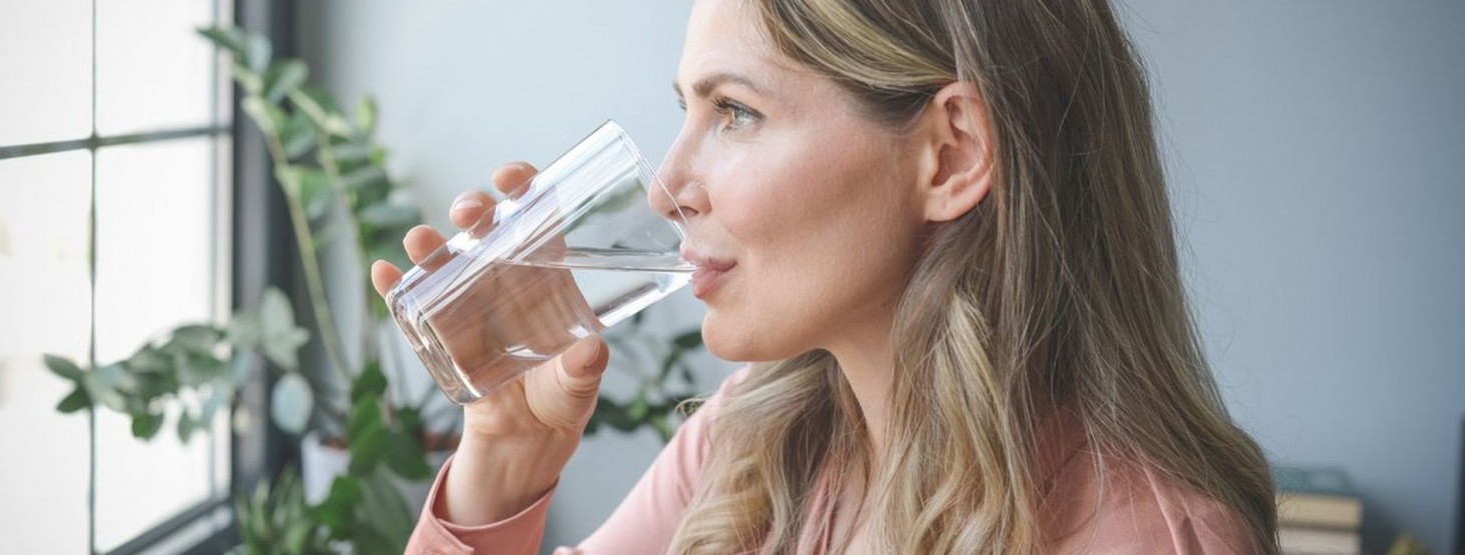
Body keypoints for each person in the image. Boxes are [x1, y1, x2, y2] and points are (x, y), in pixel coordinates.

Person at [371, 0, 1279, 552]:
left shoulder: (1148, 541)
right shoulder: (753, 447)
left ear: (951, 154)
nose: (667, 188)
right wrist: (507, 457)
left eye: (735, 112)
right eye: (687, 110)